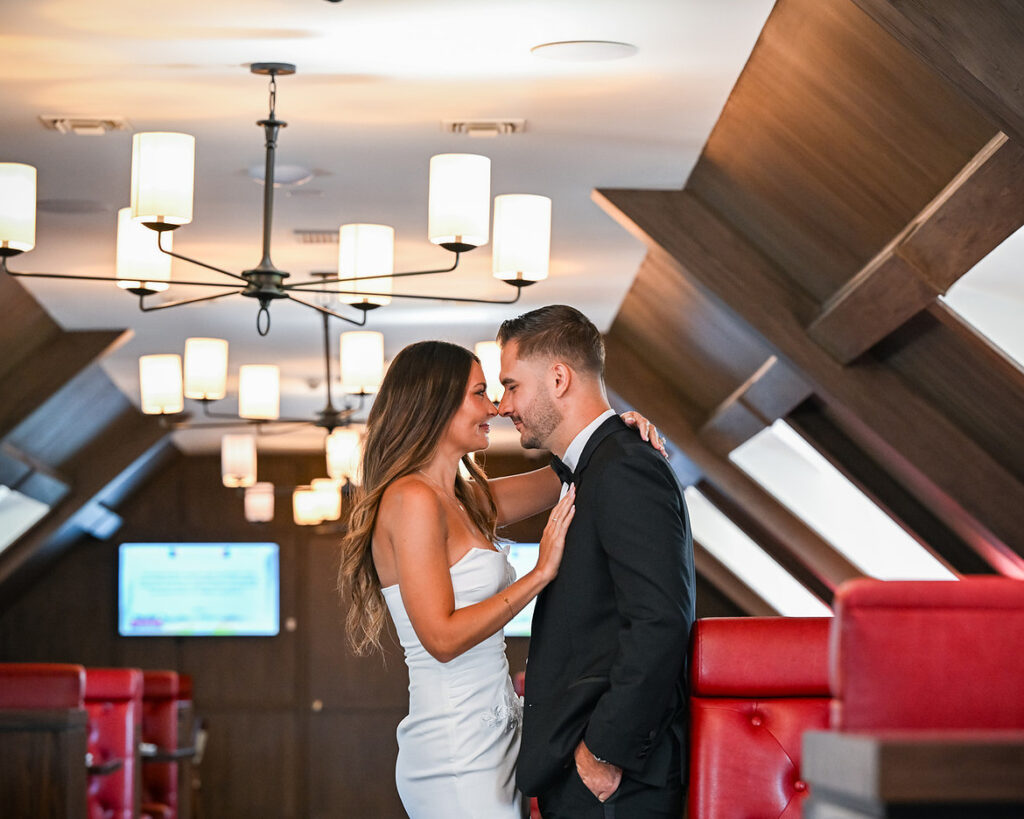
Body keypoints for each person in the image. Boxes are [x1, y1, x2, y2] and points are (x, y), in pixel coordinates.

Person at [338, 339, 665, 819]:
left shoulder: (464, 499)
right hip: (454, 747)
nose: (493, 408)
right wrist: (539, 575)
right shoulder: (411, 500)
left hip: (496, 737)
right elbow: (443, 638)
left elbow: (569, 473)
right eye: (479, 394)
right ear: (436, 404)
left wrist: (614, 432)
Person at [497, 305, 695, 818]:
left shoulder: (625, 466)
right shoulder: (594, 466)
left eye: (512, 386)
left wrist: (603, 753)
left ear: (559, 378)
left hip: (615, 778)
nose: (503, 405)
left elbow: (661, 620)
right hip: (585, 769)